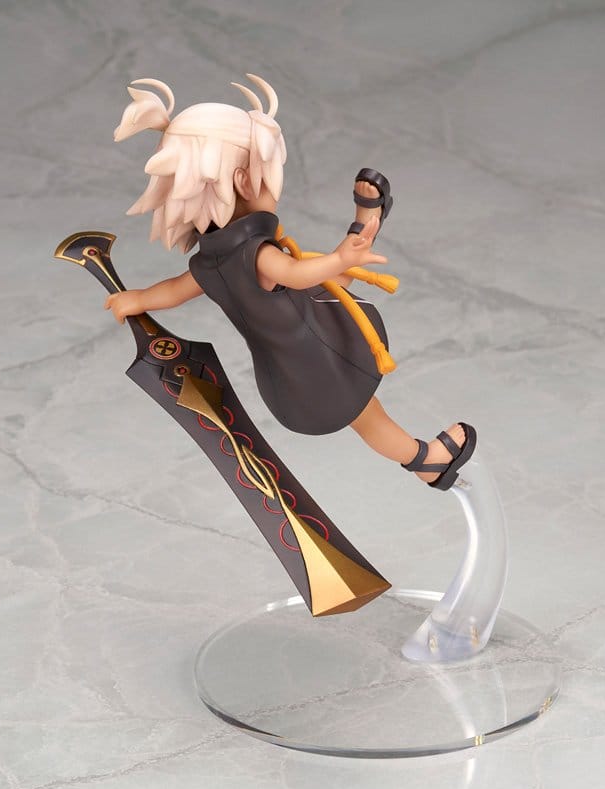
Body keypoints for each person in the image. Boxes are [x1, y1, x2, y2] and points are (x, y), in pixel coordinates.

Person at [105, 74, 476, 490]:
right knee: (369, 417)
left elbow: (174, 290)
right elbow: (297, 274)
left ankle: (365, 224)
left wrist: (137, 299)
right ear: (245, 181)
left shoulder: (211, 262)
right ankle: (426, 462)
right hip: (316, 362)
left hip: (285, 372)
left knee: (332, 294)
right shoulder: (257, 255)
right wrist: (339, 258)